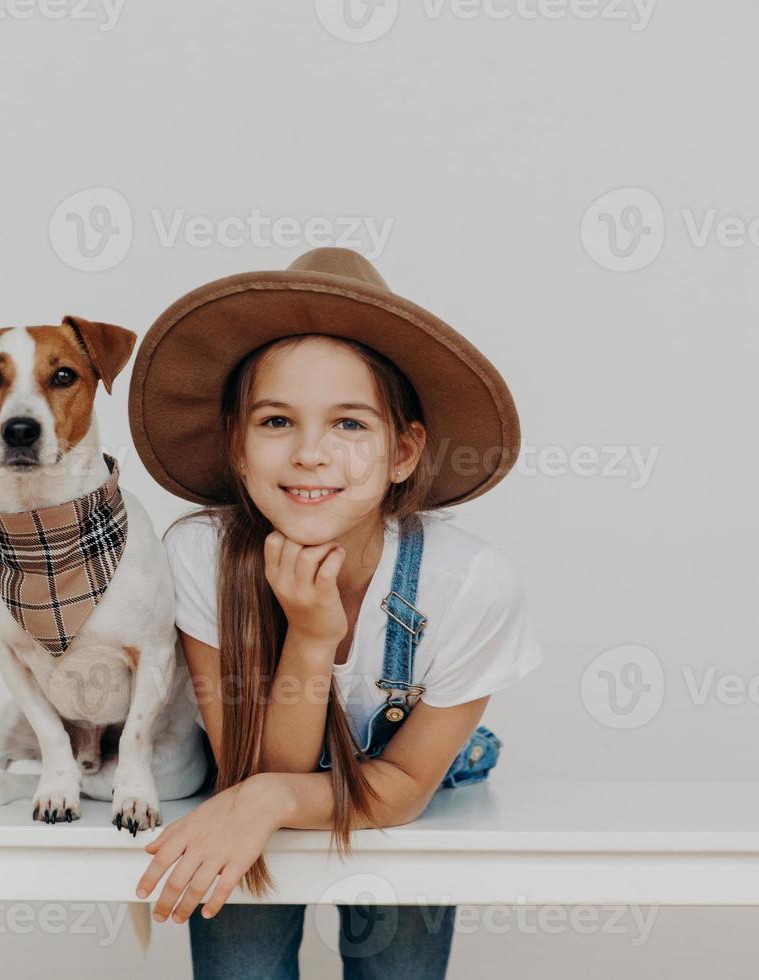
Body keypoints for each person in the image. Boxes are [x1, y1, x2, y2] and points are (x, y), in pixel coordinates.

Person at [122, 247, 544, 979]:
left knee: (397, 958)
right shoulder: (199, 555)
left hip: (395, 782)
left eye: (350, 425)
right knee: (241, 946)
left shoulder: (470, 583)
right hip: (251, 771)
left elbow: (405, 787)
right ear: (238, 448)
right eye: (277, 420)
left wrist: (270, 795)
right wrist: (311, 638)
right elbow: (251, 766)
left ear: (403, 451)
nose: (311, 453)